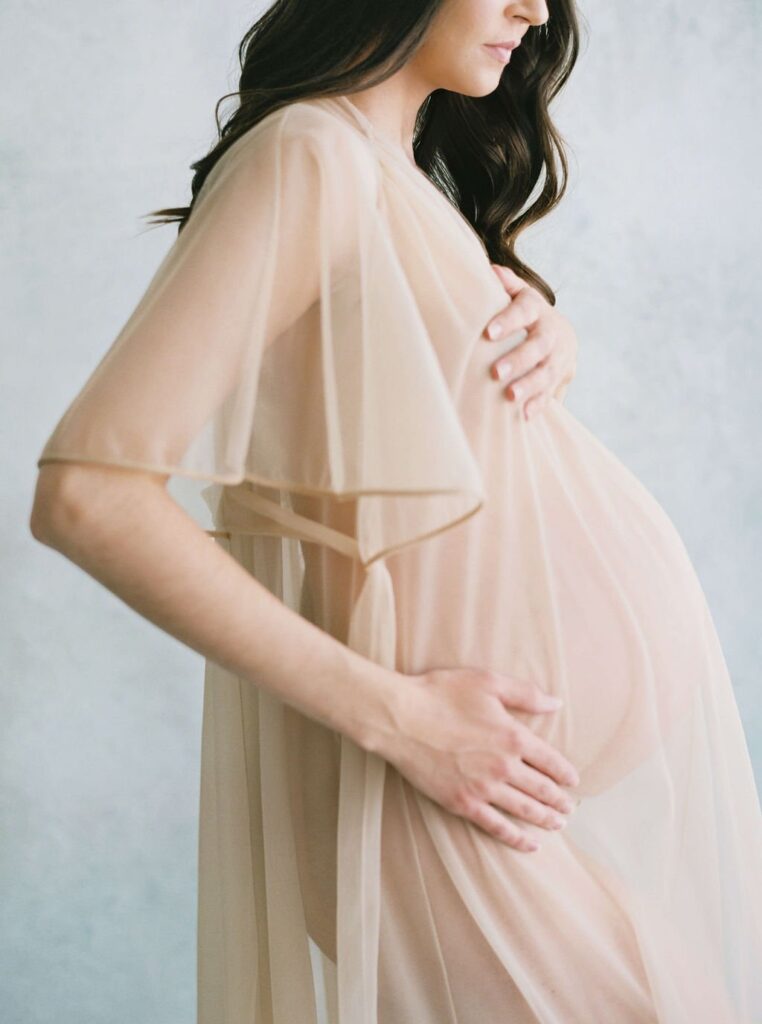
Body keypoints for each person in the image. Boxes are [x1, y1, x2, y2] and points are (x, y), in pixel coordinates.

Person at [30, 0, 762, 1021]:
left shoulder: (392, 179)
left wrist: (542, 331)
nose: (534, 9)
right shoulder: (309, 156)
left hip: (481, 803)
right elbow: (86, 497)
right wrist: (408, 722)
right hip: (421, 794)